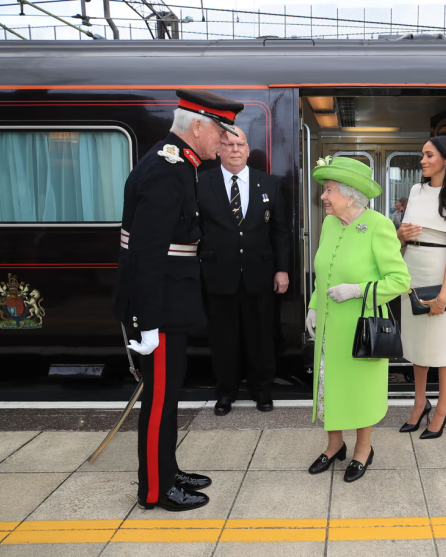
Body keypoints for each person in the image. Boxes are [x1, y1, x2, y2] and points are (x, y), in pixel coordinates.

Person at [112, 90, 244, 512]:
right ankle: (155, 489)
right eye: (221, 133)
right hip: (161, 307)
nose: (224, 142)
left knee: (168, 396)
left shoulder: (178, 163)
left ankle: (167, 469)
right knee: (160, 401)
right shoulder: (167, 169)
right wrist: (147, 321)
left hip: (170, 301)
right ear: (198, 127)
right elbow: (146, 253)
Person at [304, 156, 410, 482]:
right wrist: (314, 305)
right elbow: (323, 271)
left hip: (362, 327)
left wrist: (356, 290)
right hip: (329, 326)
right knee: (329, 385)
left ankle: (364, 449)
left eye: (329, 190)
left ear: (350, 196)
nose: (323, 196)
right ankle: (334, 444)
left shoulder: (378, 225)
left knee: (361, 390)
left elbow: (400, 280)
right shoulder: (330, 223)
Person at [198, 126, 291, 416]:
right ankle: (225, 392)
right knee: (223, 338)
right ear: (218, 151)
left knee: (260, 336)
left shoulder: (270, 184)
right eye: (228, 145)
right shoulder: (201, 183)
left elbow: (280, 232)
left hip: (259, 275)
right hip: (217, 275)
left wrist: (282, 270)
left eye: (240, 145)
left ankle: (261, 390)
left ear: (248, 150)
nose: (234, 150)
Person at [396, 136, 446, 439]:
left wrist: (444, 293)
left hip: (439, 272)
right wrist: (400, 235)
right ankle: (419, 404)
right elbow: (402, 237)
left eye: (429, 155)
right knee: (416, 345)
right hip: (411, 270)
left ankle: (442, 408)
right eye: (422, 155)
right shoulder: (416, 190)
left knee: (440, 345)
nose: (423, 161)